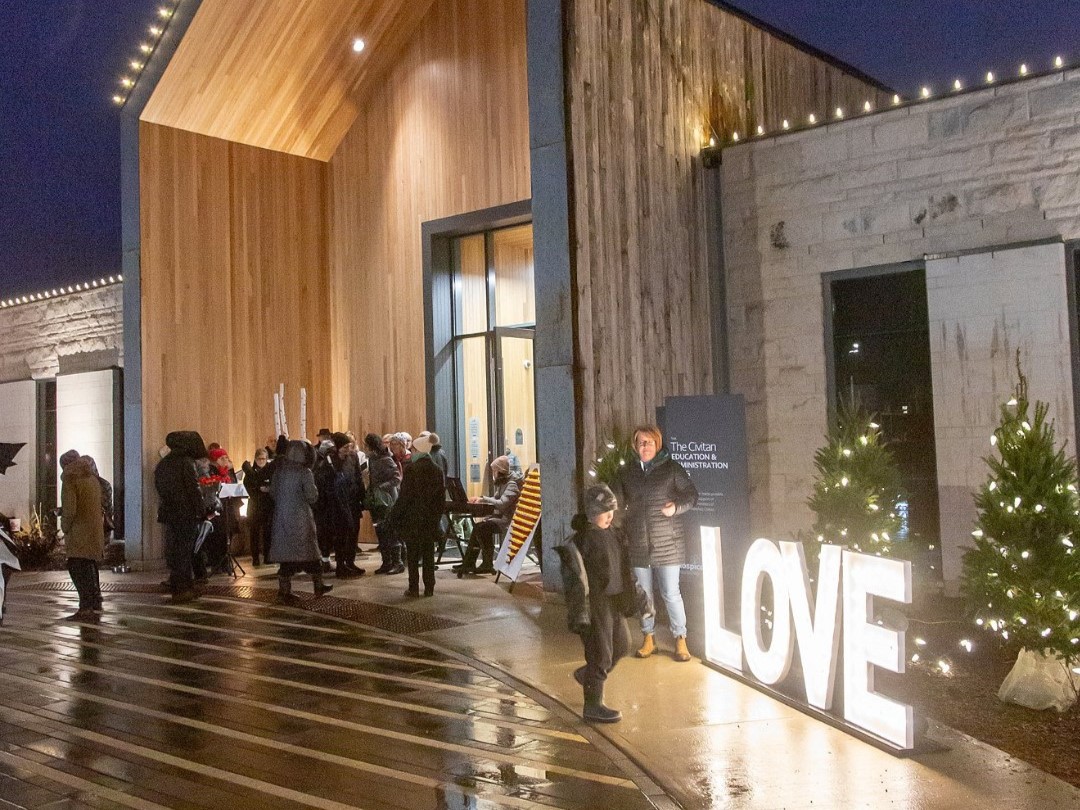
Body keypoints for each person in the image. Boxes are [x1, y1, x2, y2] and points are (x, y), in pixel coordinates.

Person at [559, 484, 649, 723]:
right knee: (601, 653)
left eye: (612, 510)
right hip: (596, 603)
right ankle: (593, 705)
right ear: (591, 512)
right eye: (605, 511)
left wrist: (640, 599)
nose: (610, 516)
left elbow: (625, 570)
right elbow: (575, 580)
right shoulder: (583, 540)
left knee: (621, 645)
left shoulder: (614, 534)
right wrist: (580, 612)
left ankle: (588, 677)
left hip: (615, 600)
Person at [612, 425, 698, 662]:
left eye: (649, 442)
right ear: (635, 446)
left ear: (657, 444)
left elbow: (691, 495)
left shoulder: (671, 469)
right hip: (639, 544)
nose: (645, 447)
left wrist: (676, 508)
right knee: (645, 595)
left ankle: (680, 639)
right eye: (641, 442)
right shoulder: (627, 472)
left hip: (669, 544)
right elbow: (616, 499)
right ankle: (648, 637)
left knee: (671, 593)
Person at [268, 439, 332, 602]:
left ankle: (284, 592)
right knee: (310, 554)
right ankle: (318, 585)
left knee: (286, 558)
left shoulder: (279, 471)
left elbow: (273, 493)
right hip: (301, 518)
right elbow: (312, 496)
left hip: (281, 518)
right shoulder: (305, 472)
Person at [386, 438, 445, 597]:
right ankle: (429, 587)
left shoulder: (412, 469)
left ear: (418, 450)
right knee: (428, 555)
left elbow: (405, 497)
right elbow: (440, 499)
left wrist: (394, 516)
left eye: (413, 450)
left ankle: (413, 588)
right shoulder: (437, 470)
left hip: (413, 519)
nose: (411, 453)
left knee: (412, 556)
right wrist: (436, 518)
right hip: (430, 520)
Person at [155, 431, 207, 602]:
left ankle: (179, 586)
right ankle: (184, 588)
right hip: (186, 514)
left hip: (170, 513)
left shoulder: (164, 464)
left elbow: (160, 488)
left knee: (176, 551)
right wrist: (201, 510)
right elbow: (194, 489)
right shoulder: (186, 462)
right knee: (185, 551)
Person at [454, 455, 522, 576]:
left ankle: (486, 563)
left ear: (500, 471)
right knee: (479, 527)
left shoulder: (512, 484)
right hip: (500, 518)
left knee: (482, 528)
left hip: (506, 520)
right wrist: (480, 499)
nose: (493, 474)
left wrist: (483, 499)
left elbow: (502, 504)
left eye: (494, 471)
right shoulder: (503, 483)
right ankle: (469, 562)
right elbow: (495, 498)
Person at [59, 450, 104, 620]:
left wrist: (64, 526)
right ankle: (94, 600)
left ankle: (85, 607)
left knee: (76, 567)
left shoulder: (70, 479)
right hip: (93, 528)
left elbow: (70, 509)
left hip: (79, 531)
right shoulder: (91, 477)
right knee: (90, 564)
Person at [365, 433, 403, 575]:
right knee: (380, 531)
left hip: (386, 501)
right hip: (376, 501)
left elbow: (397, 478)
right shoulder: (372, 459)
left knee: (389, 531)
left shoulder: (386, 459)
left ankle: (397, 562)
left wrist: (381, 487)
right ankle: (386, 562)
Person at [330, 432, 366, 577]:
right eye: (344, 447)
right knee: (341, 534)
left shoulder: (353, 457)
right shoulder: (331, 460)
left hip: (353, 501)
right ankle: (340, 565)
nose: (347, 449)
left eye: (348, 446)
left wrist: (362, 497)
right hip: (339, 503)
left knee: (353, 532)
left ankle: (350, 562)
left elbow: (358, 477)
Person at [242, 447, 274, 566]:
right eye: (259, 459)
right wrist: (259, 489)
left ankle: (267, 556)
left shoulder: (269, 471)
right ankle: (255, 557)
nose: (262, 461)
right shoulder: (251, 472)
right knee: (254, 532)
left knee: (267, 532)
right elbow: (248, 486)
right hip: (254, 505)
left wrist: (267, 489)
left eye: (264, 459)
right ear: (255, 459)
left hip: (267, 505)